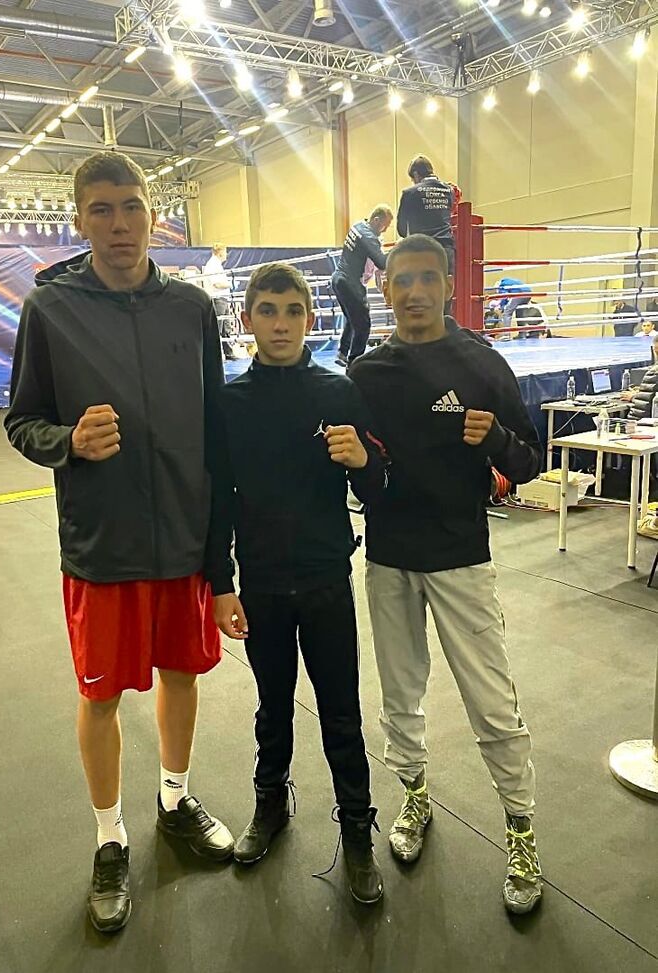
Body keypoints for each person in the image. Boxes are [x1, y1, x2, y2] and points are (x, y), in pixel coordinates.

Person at [4, 151, 233, 934]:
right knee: (100, 695)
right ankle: (109, 838)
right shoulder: (50, 308)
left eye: (131, 206)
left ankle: (174, 798)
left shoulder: (191, 309)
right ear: (79, 219)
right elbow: (21, 421)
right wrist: (67, 440)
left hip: (183, 537)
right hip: (102, 544)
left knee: (182, 674)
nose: (119, 223)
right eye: (101, 209)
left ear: (152, 214)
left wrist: (220, 555)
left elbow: (216, 426)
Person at [348, 234, 544, 916]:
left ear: (448, 285)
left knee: (491, 701)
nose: (414, 292)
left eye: (427, 278)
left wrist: (495, 439)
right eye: (402, 280)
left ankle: (521, 828)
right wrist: (357, 464)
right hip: (390, 557)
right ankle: (414, 793)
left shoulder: (480, 362)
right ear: (385, 289)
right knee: (400, 693)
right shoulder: (367, 373)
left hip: (461, 556)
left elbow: (529, 461)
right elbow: (363, 474)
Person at [205, 262, 388, 904]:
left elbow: (377, 487)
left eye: (292, 312)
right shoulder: (228, 403)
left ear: (310, 319)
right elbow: (217, 500)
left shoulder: (338, 392)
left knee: (341, 712)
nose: (280, 324)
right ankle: (270, 806)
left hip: (325, 580)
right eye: (267, 311)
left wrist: (363, 462)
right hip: (260, 584)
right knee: (272, 705)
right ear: (247, 318)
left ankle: (357, 832)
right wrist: (220, 583)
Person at [332, 205, 393, 369]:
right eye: (384, 226)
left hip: (338, 278)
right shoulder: (368, 236)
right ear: (376, 220)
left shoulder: (358, 226)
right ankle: (354, 362)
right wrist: (399, 251)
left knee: (352, 319)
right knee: (363, 325)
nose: (384, 230)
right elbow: (382, 263)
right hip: (351, 283)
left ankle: (342, 352)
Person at [396, 156, 456, 277]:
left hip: (422, 252)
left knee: (422, 288)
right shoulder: (449, 191)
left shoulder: (409, 193)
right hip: (446, 251)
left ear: (416, 174)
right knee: (445, 287)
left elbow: (401, 229)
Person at [204, 243, 242, 359]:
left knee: (226, 327)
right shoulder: (212, 265)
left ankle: (228, 352)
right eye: (225, 251)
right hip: (217, 298)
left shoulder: (217, 265)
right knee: (218, 328)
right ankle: (215, 356)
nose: (226, 254)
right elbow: (217, 284)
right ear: (220, 252)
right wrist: (231, 284)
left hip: (223, 298)